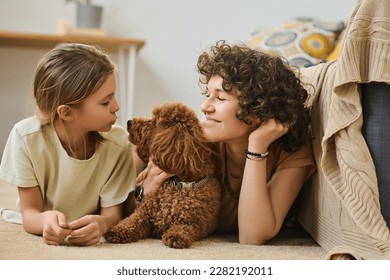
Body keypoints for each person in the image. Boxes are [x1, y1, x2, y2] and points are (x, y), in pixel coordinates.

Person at [133, 40, 315, 245]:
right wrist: (143, 190)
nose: (204, 107)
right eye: (207, 95)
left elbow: (252, 236)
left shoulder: (292, 153)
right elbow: (130, 211)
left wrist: (256, 146)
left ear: (259, 109)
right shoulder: (192, 144)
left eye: (220, 98)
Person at [0, 43, 136, 246]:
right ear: (67, 112)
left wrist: (102, 224)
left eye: (114, 96)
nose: (116, 107)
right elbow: (30, 213)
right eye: (105, 102)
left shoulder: (118, 143)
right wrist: (45, 220)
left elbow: (113, 214)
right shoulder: (25, 137)